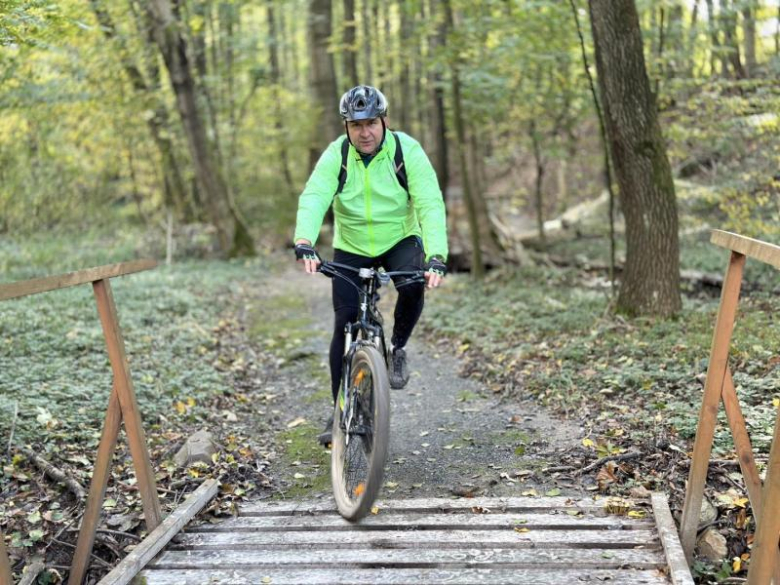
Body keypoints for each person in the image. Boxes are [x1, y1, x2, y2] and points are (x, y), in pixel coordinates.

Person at [293, 85, 448, 445]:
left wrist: (436, 255)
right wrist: (305, 241)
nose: (365, 132)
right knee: (343, 324)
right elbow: (315, 195)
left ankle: (397, 348)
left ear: (384, 121)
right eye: (356, 125)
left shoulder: (406, 151)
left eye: (372, 123)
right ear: (347, 127)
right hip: (352, 245)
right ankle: (339, 413)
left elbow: (429, 202)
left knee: (412, 285)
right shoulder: (338, 155)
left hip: (399, 238)